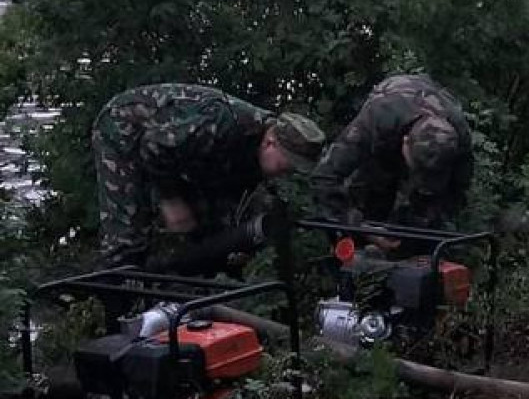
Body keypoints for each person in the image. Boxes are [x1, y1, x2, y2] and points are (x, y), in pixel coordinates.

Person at [93, 83, 326, 268]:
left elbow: (225, 195)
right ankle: (115, 314)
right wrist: (171, 199)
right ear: (270, 143)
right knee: (126, 238)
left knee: (205, 234)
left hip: (178, 153)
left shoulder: (253, 151)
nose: (288, 172)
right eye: (288, 164)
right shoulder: (220, 123)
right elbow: (153, 147)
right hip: (128, 128)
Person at [311, 74, 473, 247]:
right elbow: (324, 177)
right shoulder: (377, 119)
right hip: (390, 115)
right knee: (371, 194)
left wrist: (422, 224)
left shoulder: (458, 136)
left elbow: (457, 191)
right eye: (417, 169)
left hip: (425, 101)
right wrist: (362, 228)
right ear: (405, 143)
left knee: (429, 214)